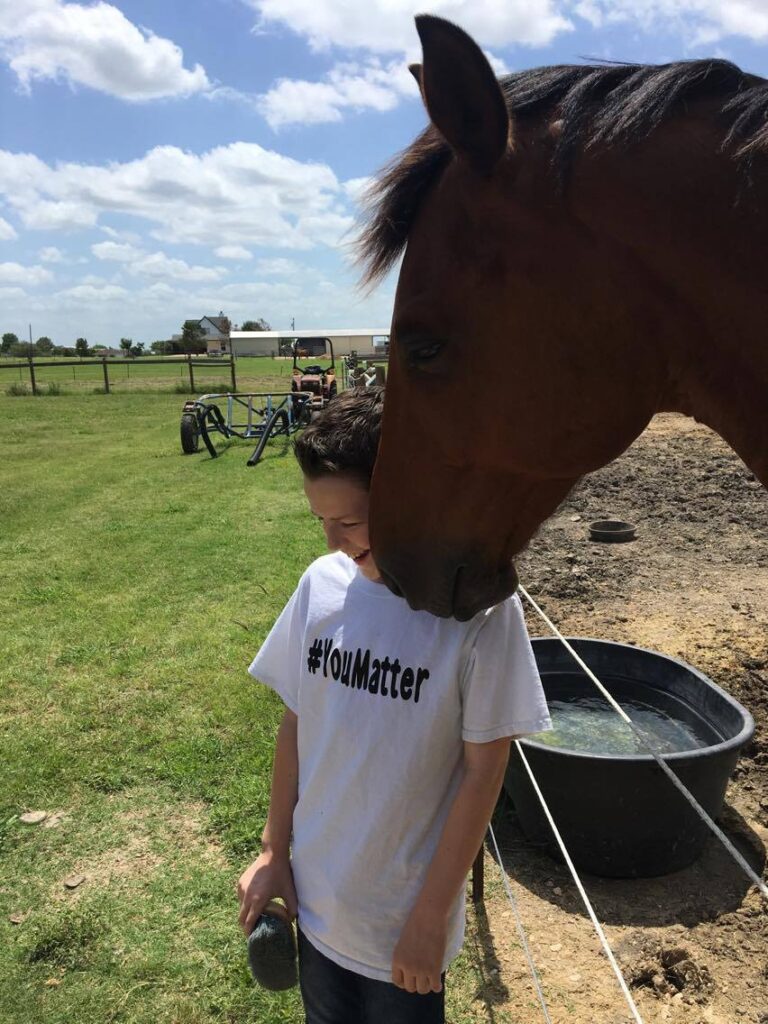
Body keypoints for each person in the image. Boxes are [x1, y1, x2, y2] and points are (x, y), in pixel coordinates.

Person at [237, 385, 551, 1024]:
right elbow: (297, 723)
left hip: (402, 926)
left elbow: (483, 770)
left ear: (410, 494)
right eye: (320, 521)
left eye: (349, 522)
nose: (331, 542)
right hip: (318, 904)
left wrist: (432, 915)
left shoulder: (480, 615)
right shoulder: (321, 588)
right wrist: (274, 852)